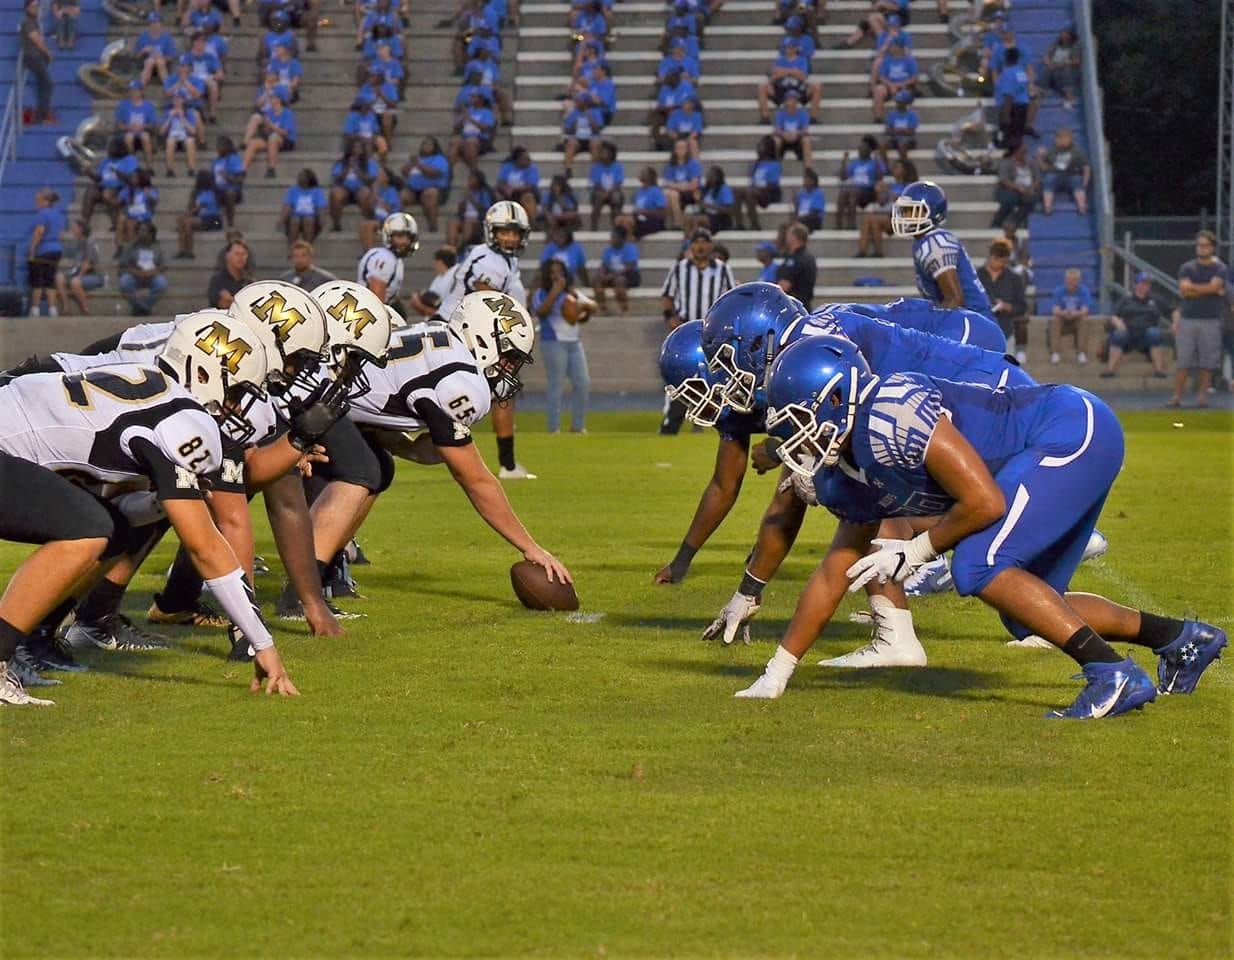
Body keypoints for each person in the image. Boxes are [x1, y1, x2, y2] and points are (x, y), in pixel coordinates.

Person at [731, 332, 1227, 716]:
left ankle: (1112, 674)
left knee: (977, 565)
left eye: (798, 420)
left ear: (837, 400)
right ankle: (1181, 639)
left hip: (1072, 429)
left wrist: (916, 551)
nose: (793, 438)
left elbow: (984, 503)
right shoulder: (846, 471)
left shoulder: (893, 413)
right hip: (1050, 450)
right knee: (1028, 611)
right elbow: (834, 570)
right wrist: (778, 671)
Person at [346, 296, 573, 581]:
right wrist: (530, 547)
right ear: (481, 338)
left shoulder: (439, 338)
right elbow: (476, 480)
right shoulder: (461, 381)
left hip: (335, 406)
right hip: (314, 407)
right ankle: (312, 576)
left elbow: (421, 447)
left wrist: (398, 443)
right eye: (508, 358)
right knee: (365, 470)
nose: (508, 370)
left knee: (376, 464)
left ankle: (331, 564)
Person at [436, 202, 536, 480]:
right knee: (499, 392)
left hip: (464, 331)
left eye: (514, 233)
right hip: (460, 333)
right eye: (504, 232)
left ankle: (505, 464)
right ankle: (507, 465)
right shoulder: (489, 260)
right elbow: (486, 298)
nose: (510, 238)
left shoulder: (499, 258)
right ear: (492, 231)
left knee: (494, 394)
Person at [659, 228, 735, 434]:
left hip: (712, 333)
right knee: (681, 375)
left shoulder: (723, 269)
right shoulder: (680, 268)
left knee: (711, 377)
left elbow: (731, 298)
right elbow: (667, 295)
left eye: (704, 242)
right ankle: (672, 422)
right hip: (686, 330)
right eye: (696, 242)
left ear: (711, 245)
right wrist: (669, 317)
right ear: (691, 246)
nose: (700, 246)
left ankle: (701, 422)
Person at [892, 180, 993, 315]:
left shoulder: (935, 243)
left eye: (912, 210)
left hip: (973, 321)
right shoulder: (924, 241)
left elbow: (955, 300)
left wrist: (932, 325)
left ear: (933, 212)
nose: (905, 216)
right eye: (904, 210)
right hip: (970, 319)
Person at [532, 260, 593, 433]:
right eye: (552, 272)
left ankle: (578, 426)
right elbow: (541, 311)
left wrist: (582, 307)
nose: (556, 276)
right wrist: (555, 291)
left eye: (559, 272)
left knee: (583, 383)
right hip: (553, 342)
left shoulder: (571, 294)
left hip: (574, 343)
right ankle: (553, 427)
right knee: (556, 384)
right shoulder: (541, 293)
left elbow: (592, 306)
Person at [1169, 231, 1228, 407]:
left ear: (1212, 247)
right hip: (1188, 318)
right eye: (1199, 245)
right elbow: (1185, 290)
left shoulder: (1220, 268)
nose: (1202, 249)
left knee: (1207, 361)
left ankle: (1202, 397)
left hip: (1211, 319)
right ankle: (1176, 397)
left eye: (1205, 245)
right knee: (1183, 360)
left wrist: (1195, 289)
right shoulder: (1187, 267)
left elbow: (1215, 287)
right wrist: (1209, 289)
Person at [1102, 272, 1168, 379]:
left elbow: (1172, 310)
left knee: (1155, 334)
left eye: (1147, 284)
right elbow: (1113, 316)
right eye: (1142, 283)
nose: (1145, 286)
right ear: (1136, 284)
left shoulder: (1155, 299)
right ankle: (1110, 370)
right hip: (1128, 332)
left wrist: (1175, 324)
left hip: (1147, 334)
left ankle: (1159, 370)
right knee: (1119, 335)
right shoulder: (1126, 299)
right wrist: (1118, 323)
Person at [976, 237, 1028, 361]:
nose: (999, 263)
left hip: (1005, 327)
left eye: (1003, 261)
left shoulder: (1014, 279)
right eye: (996, 259)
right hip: (980, 327)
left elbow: (1022, 306)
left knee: (1006, 364)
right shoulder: (976, 277)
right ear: (990, 257)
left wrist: (1007, 306)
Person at [358, 212, 419, 310]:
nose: (405, 241)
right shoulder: (384, 258)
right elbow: (376, 301)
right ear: (389, 236)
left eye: (408, 237)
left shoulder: (395, 259)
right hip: (367, 312)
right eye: (400, 236)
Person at [26, 189, 64, 318]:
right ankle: (52, 309)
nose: (36, 203)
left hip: (43, 251)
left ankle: (35, 309)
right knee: (50, 280)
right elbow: (60, 234)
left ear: (46, 201)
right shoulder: (59, 214)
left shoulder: (42, 214)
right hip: (56, 250)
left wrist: (32, 250)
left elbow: (39, 232)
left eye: (39, 200)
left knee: (37, 281)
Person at [401, 136, 450, 233]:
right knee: (402, 196)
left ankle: (433, 225)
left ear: (435, 146)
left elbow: (433, 173)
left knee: (429, 193)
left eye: (429, 144)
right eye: (424, 144)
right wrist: (412, 163)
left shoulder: (439, 159)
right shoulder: (417, 159)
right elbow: (404, 172)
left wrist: (418, 164)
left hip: (435, 189)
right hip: (414, 190)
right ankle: (401, 225)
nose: (426, 146)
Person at [834, 137, 884, 231]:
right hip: (855, 190)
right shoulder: (854, 163)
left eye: (863, 148)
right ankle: (838, 224)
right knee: (842, 193)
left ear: (869, 150)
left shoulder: (874, 162)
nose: (860, 150)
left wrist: (877, 160)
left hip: (869, 191)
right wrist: (844, 162)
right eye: (859, 148)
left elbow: (880, 177)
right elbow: (843, 177)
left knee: (853, 192)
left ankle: (851, 224)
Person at [116, 222, 166, 316]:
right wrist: (136, 272)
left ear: (151, 233)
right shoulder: (130, 247)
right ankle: (138, 306)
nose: (141, 233)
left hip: (152, 275)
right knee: (124, 282)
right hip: (134, 275)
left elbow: (162, 265)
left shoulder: (157, 247)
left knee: (161, 283)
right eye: (139, 230)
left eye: (144, 231)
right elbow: (123, 266)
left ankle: (144, 307)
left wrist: (152, 272)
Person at [243, 92, 297, 178]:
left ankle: (271, 169)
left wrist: (271, 125)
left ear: (279, 100)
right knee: (253, 143)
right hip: (270, 138)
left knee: (273, 138)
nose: (271, 100)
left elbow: (285, 133)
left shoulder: (287, 113)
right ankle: (243, 170)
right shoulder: (269, 112)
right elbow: (266, 132)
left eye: (273, 98)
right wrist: (266, 126)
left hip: (286, 140)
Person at [54, 220, 103, 315]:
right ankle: (66, 307)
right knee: (59, 277)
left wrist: (79, 276)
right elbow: (63, 253)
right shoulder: (75, 243)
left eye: (74, 227)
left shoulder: (90, 242)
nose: (72, 230)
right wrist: (59, 240)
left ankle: (86, 309)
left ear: (81, 229)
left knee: (75, 282)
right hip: (76, 273)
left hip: (93, 275)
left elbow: (87, 264)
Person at [329, 141, 379, 232]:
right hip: (344, 189)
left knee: (365, 193)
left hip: (360, 188)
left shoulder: (369, 162)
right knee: (335, 193)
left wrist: (356, 169)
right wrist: (347, 168)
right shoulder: (341, 162)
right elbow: (337, 178)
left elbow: (370, 180)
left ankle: (369, 222)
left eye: (359, 147)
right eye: (354, 147)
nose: (357, 149)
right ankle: (336, 224)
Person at [1039, 128, 1090, 216]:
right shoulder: (1052, 151)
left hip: (1071, 176)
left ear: (1071, 139)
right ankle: (1047, 207)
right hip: (1057, 177)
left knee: (1077, 180)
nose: (1063, 140)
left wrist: (1085, 181)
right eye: (1060, 138)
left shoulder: (1076, 151)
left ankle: (1082, 207)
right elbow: (1043, 168)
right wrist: (1040, 157)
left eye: (1066, 137)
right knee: (1049, 179)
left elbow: (1086, 167)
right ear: (1056, 140)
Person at [1049, 268, 1094, 365]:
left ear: (1079, 280)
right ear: (1065, 280)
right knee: (1054, 320)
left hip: (1077, 319)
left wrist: (1075, 313)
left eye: (1074, 280)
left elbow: (1085, 310)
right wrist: (1064, 313)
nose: (1071, 282)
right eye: (1069, 279)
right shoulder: (1059, 290)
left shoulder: (1084, 291)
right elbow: (1055, 310)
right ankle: (1055, 353)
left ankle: (1081, 353)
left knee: (1084, 320)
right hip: (1063, 319)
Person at [736, 136, 782, 231]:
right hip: (755, 191)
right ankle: (739, 224)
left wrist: (756, 188)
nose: (758, 147)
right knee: (736, 192)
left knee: (749, 192)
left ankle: (755, 225)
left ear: (768, 148)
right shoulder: (755, 164)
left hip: (769, 193)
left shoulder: (775, 164)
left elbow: (773, 185)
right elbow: (752, 181)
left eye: (761, 145)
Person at [175, 169, 223, 259]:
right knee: (182, 221)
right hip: (203, 219)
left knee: (187, 222)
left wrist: (187, 215)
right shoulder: (197, 193)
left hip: (215, 221)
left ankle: (190, 251)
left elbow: (199, 207)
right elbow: (192, 208)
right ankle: (181, 250)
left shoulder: (212, 192)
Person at [21, 0, 54, 125]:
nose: (36, 8)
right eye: (34, 6)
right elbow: (35, 38)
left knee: (43, 85)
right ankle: (42, 116)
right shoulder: (28, 22)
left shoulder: (34, 21)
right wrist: (48, 52)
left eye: (37, 6)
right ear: (27, 8)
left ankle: (40, 117)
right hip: (33, 56)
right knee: (48, 84)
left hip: (37, 56)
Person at [870, 37, 918, 122]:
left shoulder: (910, 60)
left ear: (899, 47)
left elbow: (914, 78)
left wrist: (899, 85)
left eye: (892, 45)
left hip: (905, 86)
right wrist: (890, 85)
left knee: (905, 94)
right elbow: (881, 77)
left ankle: (905, 121)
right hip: (889, 85)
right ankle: (878, 118)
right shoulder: (886, 60)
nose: (890, 47)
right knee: (878, 90)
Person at [992, 143, 1040, 229]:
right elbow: (1004, 180)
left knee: (1032, 199)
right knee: (1010, 199)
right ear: (1015, 152)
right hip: (1009, 190)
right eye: (1022, 152)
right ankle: (996, 223)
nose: (1024, 155)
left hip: (1028, 190)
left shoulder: (1031, 163)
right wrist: (1019, 188)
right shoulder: (1006, 162)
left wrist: (1032, 188)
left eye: (1025, 152)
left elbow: (1037, 178)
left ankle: (1015, 221)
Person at [594, 226, 639, 314]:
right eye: (611, 236)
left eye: (614, 237)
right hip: (611, 275)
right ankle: (603, 309)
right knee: (596, 281)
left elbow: (629, 266)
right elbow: (604, 265)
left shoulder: (630, 249)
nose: (611, 239)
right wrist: (602, 274)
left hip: (629, 275)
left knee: (619, 281)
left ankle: (624, 309)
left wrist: (612, 276)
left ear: (622, 239)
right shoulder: (608, 250)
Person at [614, 167, 667, 239]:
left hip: (652, 220)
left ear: (649, 177)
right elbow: (637, 211)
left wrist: (643, 212)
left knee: (628, 222)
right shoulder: (639, 192)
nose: (640, 174)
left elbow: (661, 213)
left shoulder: (656, 191)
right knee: (619, 219)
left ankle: (629, 242)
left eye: (643, 172)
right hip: (640, 218)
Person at [662, 139, 703, 230]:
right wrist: (681, 186)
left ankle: (678, 223)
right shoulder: (671, 165)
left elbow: (694, 185)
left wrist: (677, 186)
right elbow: (667, 183)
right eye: (678, 148)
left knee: (673, 194)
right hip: (676, 191)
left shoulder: (693, 164)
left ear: (687, 150)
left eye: (682, 148)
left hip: (690, 193)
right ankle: (672, 223)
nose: (680, 150)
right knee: (667, 193)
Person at [115, 81, 158, 167]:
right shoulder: (123, 105)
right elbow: (118, 123)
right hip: (128, 133)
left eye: (136, 90)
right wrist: (128, 127)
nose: (133, 93)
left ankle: (150, 167)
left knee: (145, 136)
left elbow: (153, 124)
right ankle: (132, 166)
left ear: (142, 92)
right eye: (131, 90)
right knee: (129, 137)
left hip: (144, 133)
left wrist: (143, 126)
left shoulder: (148, 105)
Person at [496, 146, 542, 225]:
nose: (528, 160)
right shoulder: (507, 166)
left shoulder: (532, 168)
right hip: (508, 193)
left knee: (528, 197)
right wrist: (506, 189)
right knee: (497, 196)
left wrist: (514, 190)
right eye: (525, 158)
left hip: (525, 192)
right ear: (518, 159)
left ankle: (533, 223)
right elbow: (501, 182)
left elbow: (530, 186)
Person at [282, 167, 327, 246]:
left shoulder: (317, 191)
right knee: (295, 220)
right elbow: (287, 206)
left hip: (312, 219)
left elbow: (320, 208)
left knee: (308, 219)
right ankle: (293, 248)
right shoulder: (293, 190)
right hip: (295, 217)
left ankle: (308, 248)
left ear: (308, 179)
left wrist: (322, 221)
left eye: (301, 176)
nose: (298, 177)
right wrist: (281, 220)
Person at [775, 223, 816, 309]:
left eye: (788, 235)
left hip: (793, 308)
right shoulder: (808, 256)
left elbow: (783, 286)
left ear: (794, 237)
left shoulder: (796, 259)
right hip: (803, 306)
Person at [160, 92, 202, 178]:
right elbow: (161, 132)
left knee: (190, 141)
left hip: (184, 139)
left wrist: (183, 118)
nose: (177, 101)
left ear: (183, 100)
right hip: (172, 138)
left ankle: (191, 169)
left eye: (179, 99)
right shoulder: (167, 113)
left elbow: (193, 132)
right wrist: (169, 118)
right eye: (175, 99)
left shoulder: (189, 113)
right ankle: (170, 170)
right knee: (170, 141)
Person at [687, 166, 736, 235]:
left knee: (698, 219)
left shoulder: (724, 189)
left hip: (719, 218)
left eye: (710, 175)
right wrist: (697, 199)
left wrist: (710, 206)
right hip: (705, 215)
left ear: (717, 177)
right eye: (707, 174)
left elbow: (728, 210)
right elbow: (700, 204)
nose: (707, 176)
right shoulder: (706, 189)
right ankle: (689, 239)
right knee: (688, 218)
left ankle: (696, 238)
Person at [409, 247, 457, 317]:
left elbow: (444, 313)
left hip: (447, 317)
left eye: (435, 262)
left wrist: (419, 305)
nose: (433, 265)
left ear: (440, 262)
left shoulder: (454, 276)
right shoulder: (440, 277)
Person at [588, 141, 624, 232]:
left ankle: (617, 227)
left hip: (613, 191)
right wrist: (604, 192)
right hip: (600, 191)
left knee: (616, 198)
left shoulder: (617, 166)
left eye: (604, 152)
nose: (602, 154)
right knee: (598, 197)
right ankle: (594, 225)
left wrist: (608, 193)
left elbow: (618, 184)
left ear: (611, 154)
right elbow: (596, 184)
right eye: (601, 152)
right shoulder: (596, 167)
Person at [1042, 27, 1081, 110]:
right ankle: (1042, 90)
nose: (1062, 35)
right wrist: (1049, 63)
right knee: (1048, 68)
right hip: (1055, 69)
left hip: (1067, 71)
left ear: (1070, 36)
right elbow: (1046, 57)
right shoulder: (1056, 44)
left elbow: (1076, 61)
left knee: (1066, 70)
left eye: (1065, 33)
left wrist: (1064, 63)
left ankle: (1069, 98)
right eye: (1062, 33)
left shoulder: (1075, 46)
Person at [207, 238, 252, 309]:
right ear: (227, 255)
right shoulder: (217, 280)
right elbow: (222, 303)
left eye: (243, 254)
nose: (240, 257)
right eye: (237, 254)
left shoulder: (250, 283)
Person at [134, 12, 177, 86]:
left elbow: (171, 57)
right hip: (146, 65)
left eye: (156, 22)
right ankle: (141, 87)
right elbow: (136, 56)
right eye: (151, 22)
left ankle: (168, 87)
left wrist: (161, 57)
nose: (153, 25)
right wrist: (143, 51)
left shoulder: (167, 37)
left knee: (160, 62)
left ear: (161, 23)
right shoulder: (143, 36)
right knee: (149, 62)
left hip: (163, 65)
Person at [212, 136, 246, 228]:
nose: (218, 148)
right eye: (217, 146)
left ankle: (230, 223)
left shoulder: (234, 159)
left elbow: (240, 179)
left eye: (220, 146)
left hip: (233, 191)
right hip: (218, 190)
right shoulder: (216, 161)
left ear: (227, 147)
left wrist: (227, 177)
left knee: (230, 193)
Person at [772, 91, 813, 166]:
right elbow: (777, 130)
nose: (793, 102)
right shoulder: (780, 113)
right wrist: (784, 134)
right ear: (785, 101)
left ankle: (808, 168)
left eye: (794, 99)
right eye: (790, 99)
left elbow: (805, 130)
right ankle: (774, 166)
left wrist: (796, 133)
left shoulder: (803, 113)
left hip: (797, 138)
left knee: (806, 140)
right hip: (784, 138)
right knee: (776, 140)